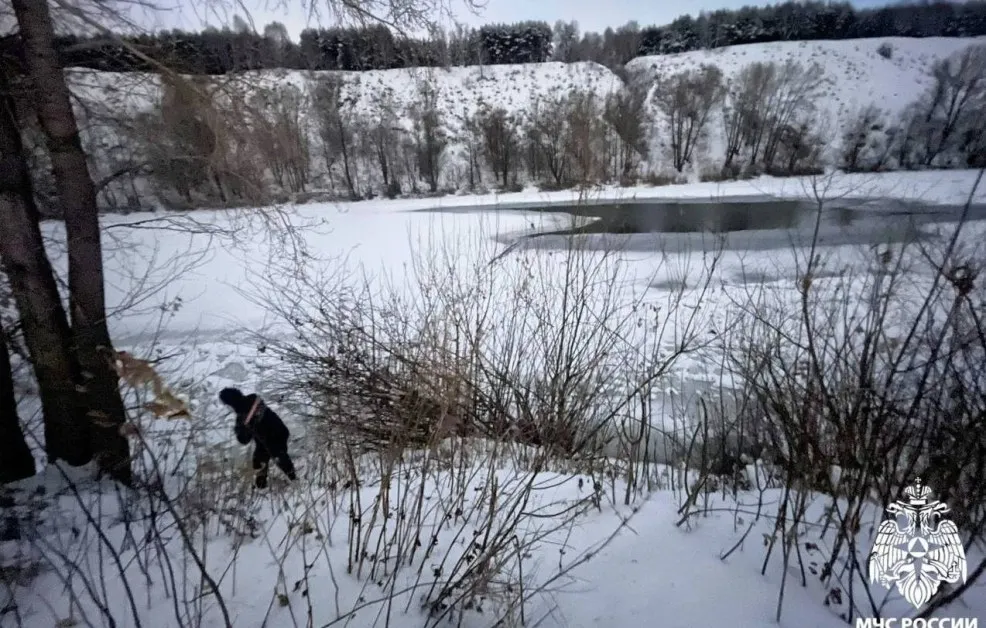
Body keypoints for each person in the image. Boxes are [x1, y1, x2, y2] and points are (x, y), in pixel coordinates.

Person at [218, 387, 297, 488]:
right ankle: (262, 486)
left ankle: (294, 481)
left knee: (278, 457)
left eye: (226, 404)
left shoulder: (243, 417)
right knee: (259, 460)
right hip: (273, 434)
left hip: (274, 435)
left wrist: (239, 429)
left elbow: (244, 440)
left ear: (230, 403)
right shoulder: (253, 399)